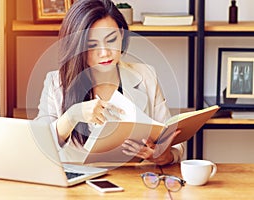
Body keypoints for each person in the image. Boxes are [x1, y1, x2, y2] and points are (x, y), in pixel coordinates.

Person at [35, 0, 184, 165]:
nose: (105, 53)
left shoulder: (146, 75)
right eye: (92, 45)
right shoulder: (56, 83)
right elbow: (39, 145)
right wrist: (72, 116)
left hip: (134, 181)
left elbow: (173, 143)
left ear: (121, 34)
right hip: (77, 184)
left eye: (111, 40)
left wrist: (163, 156)